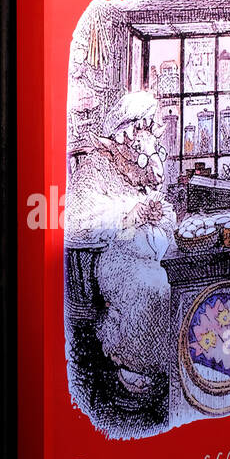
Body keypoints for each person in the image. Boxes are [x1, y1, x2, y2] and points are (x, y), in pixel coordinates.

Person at [65, 91, 175, 398]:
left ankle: (175, 366)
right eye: (139, 129)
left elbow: (158, 208)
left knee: (177, 278)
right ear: (125, 133)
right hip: (109, 259)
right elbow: (75, 223)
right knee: (153, 287)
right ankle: (135, 365)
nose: (142, 138)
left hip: (146, 254)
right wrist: (128, 215)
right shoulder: (94, 169)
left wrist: (157, 213)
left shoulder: (138, 167)